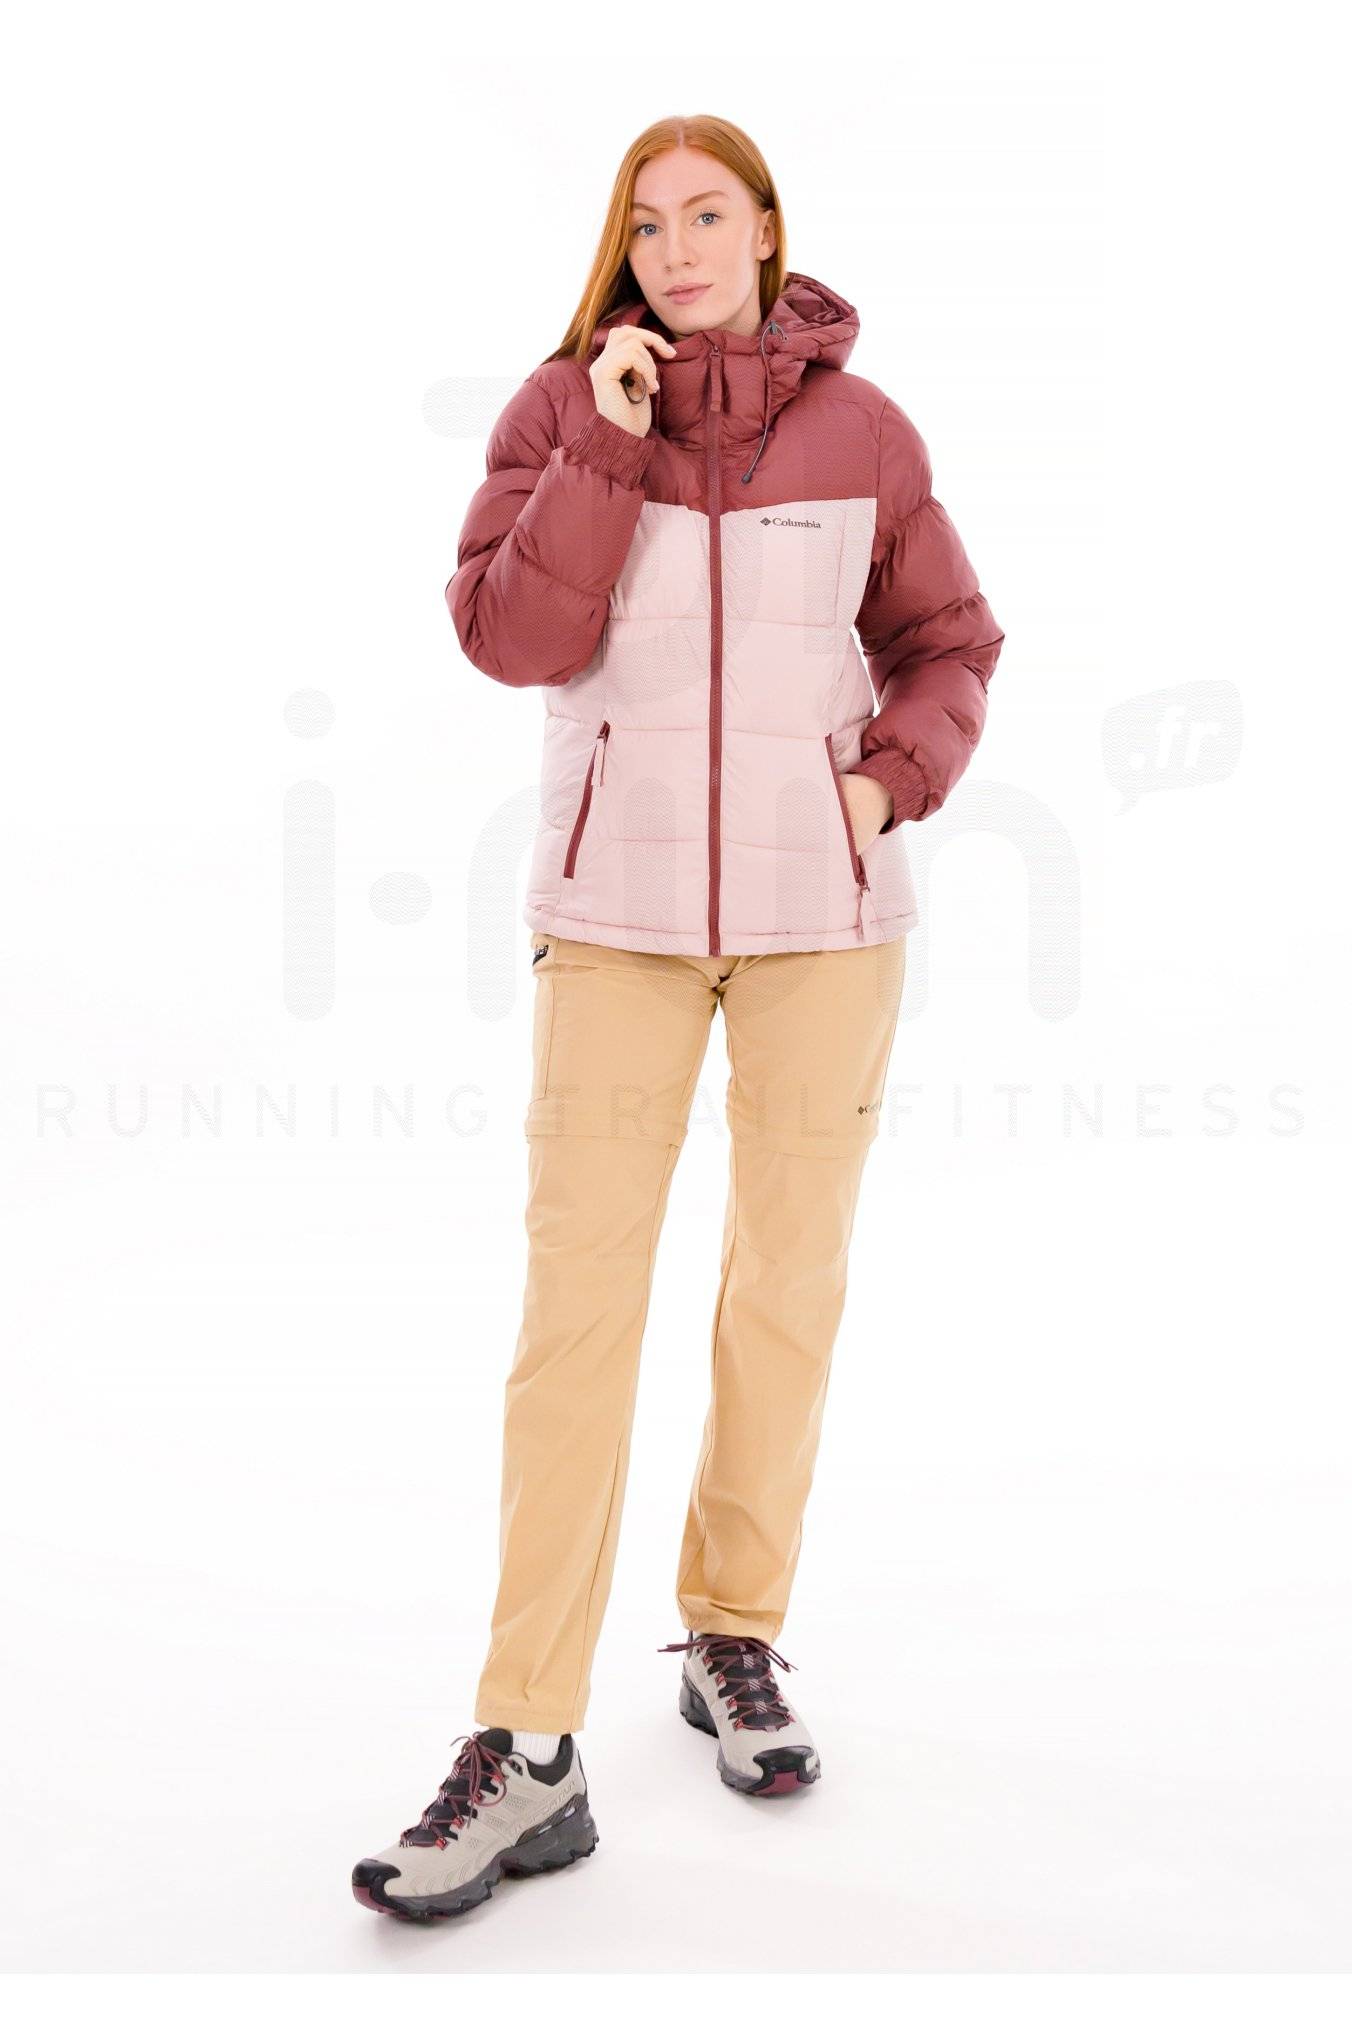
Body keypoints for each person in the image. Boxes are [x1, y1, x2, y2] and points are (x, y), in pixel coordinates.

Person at [353, 113, 1004, 1924]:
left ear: (767, 228)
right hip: (614, 928)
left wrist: (879, 784)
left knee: (786, 1283)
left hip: (826, 926)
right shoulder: (562, 411)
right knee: (576, 1317)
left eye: (708, 213)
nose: (678, 248)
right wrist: (609, 447)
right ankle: (528, 1744)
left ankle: (733, 1630)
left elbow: (952, 641)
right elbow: (510, 638)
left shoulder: (867, 434)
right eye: (647, 224)